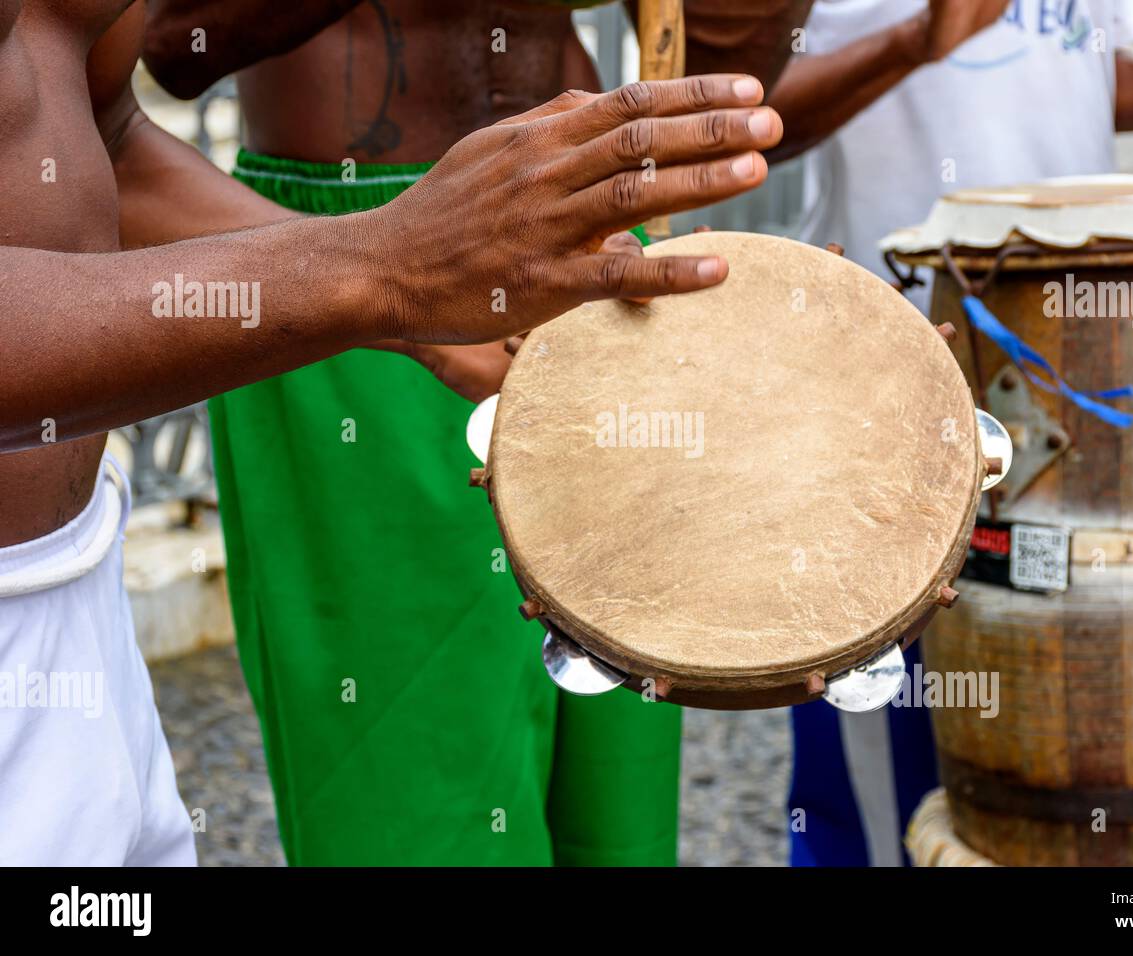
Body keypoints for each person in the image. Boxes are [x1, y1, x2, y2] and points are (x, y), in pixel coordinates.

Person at [0, 0, 782, 866]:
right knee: (416, 806)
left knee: (618, 797)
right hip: (350, 241)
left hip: (521, 251)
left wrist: (403, 298)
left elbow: (102, 134)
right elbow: (182, 45)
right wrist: (378, 270)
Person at [764, 0, 1133, 867]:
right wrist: (911, 43)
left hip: (1079, 357)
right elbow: (758, 115)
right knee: (879, 716)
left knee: (1052, 703)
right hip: (884, 356)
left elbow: (1090, 74)